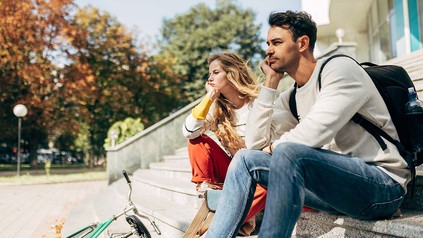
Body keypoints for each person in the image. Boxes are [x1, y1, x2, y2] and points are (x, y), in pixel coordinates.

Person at [205, 11, 411, 238]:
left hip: (381, 186)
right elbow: (254, 143)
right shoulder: (291, 97)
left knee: (290, 152)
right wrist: (270, 85)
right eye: (268, 43)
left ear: (302, 43)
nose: (268, 50)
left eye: (277, 43)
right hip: (335, 190)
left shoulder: (339, 69)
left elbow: (313, 135)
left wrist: (273, 148)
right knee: (245, 159)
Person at [182, 52, 267, 235]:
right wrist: (208, 98)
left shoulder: (259, 101)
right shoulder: (217, 108)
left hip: (259, 169)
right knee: (196, 141)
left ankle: (218, 223)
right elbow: (188, 131)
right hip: (233, 171)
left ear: (231, 73)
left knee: (270, 183)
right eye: (209, 74)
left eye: (215, 72)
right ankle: (210, 194)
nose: (210, 78)